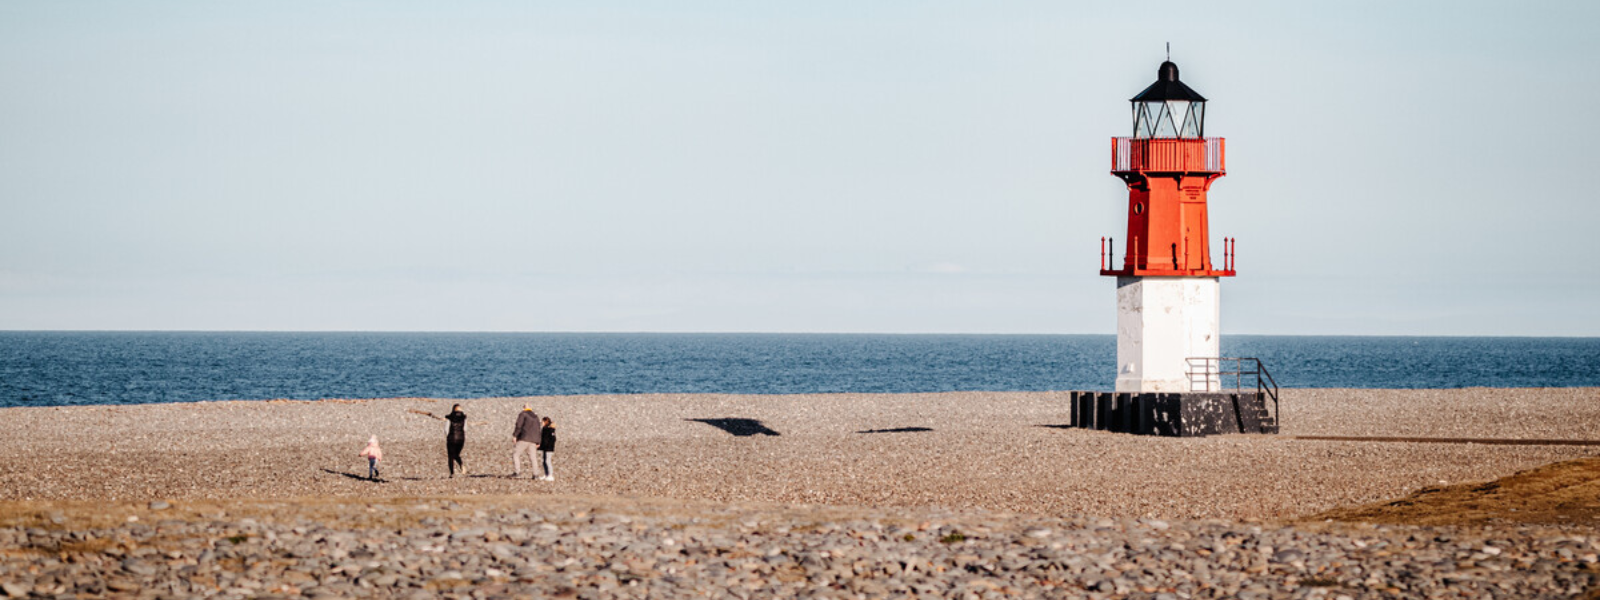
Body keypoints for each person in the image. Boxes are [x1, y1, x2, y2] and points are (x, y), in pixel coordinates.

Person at [511, 404, 541, 478]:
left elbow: (519, 425)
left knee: (516, 454)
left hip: (524, 438)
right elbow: (538, 429)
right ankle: (535, 474)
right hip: (533, 439)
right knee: (533, 457)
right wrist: (538, 441)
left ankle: (517, 472)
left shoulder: (523, 414)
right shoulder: (536, 416)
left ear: (524, 408)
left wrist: (515, 435)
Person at [445, 404, 467, 477]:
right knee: (456, 454)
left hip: (452, 438)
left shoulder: (450, 418)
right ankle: (461, 465)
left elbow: (446, 430)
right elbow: (465, 429)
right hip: (461, 439)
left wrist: (448, 436)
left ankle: (452, 473)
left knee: (451, 456)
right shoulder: (464, 418)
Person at [537, 416, 557, 481]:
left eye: (542, 421)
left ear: (545, 422)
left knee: (548, 461)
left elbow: (553, 439)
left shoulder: (550, 429)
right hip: (545, 448)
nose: (541, 422)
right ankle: (546, 474)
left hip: (549, 448)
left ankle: (550, 475)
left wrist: (548, 445)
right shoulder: (544, 429)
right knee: (544, 461)